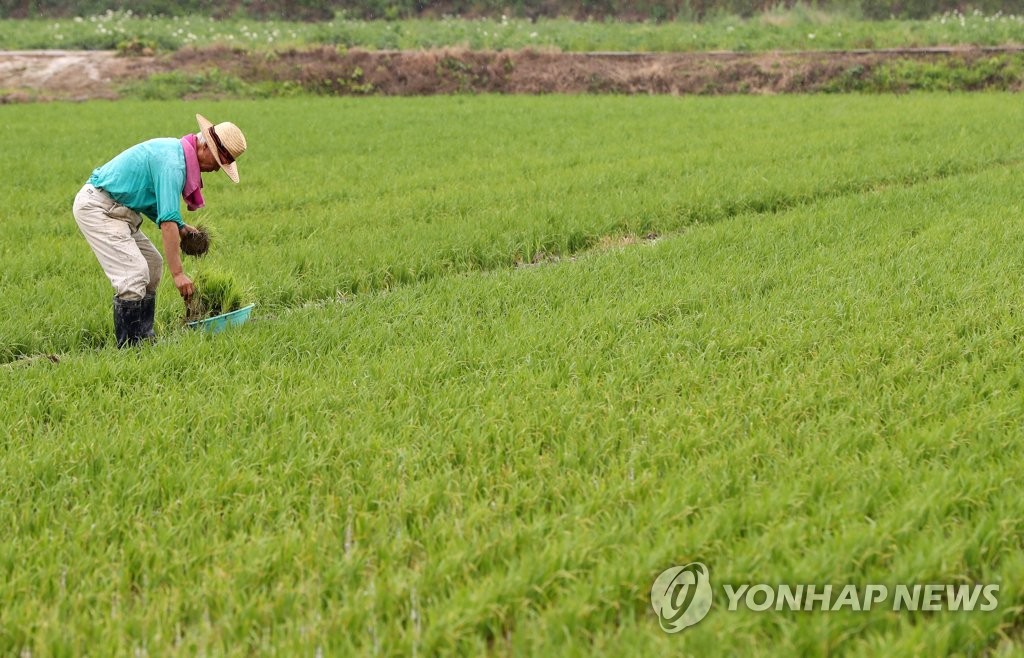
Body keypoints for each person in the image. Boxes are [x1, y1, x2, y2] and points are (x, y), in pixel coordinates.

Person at [73, 114, 247, 347]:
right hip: (100, 208)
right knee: (133, 274)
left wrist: (182, 228)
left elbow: (153, 205)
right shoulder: (173, 164)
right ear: (205, 146)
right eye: (218, 161)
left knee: (153, 265)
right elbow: (167, 222)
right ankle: (130, 349)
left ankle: (145, 338)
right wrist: (178, 274)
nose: (217, 169)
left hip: (123, 212)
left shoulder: (176, 155)